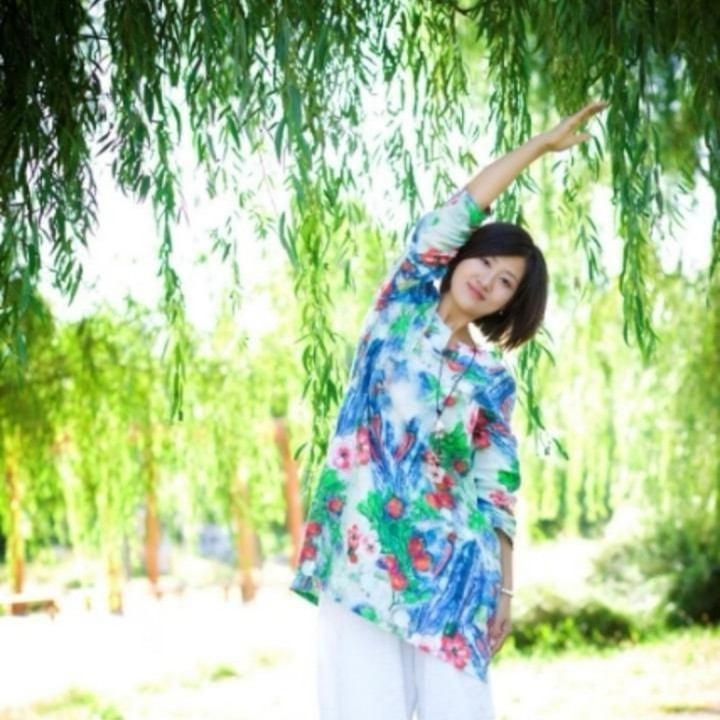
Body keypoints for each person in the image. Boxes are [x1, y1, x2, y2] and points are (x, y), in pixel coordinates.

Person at [290, 101, 608, 720]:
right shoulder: (400, 306)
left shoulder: (492, 380)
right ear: (461, 256)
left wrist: (504, 588)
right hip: (362, 558)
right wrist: (539, 147)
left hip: (455, 570)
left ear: (510, 304)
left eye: (506, 281)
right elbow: (460, 210)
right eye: (485, 260)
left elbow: (496, 490)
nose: (488, 279)